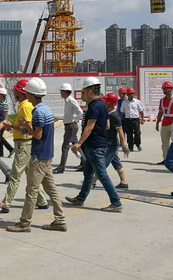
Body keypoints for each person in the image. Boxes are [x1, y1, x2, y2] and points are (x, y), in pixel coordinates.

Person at [6, 78, 66, 233]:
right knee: (51, 189)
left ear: (31, 94)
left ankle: (24, 223)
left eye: (27, 93)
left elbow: (38, 135)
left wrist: (26, 125)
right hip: (47, 156)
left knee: (31, 191)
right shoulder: (46, 109)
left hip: (38, 157)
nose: (25, 95)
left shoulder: (38, 112)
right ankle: (60, 220)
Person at [65, 77, 123, 212]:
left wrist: (79, 143)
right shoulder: (102, 105)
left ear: (90, 92)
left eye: (83, 92)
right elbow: (107, 125)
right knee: (88, 173)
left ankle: (116, 203)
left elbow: (90, 126)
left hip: (95, 147)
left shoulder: (93, 106)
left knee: (102, 175)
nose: (82, 95)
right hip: (97, 144)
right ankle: (80, 198)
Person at [0, 80, 48, 214]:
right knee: (30, 174)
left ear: (21, 92)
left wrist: (10, 126)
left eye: (15, 90)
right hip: (23, 144)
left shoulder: (25, 106)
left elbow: (28, 128)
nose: (13, 92)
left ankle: (6, 204)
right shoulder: (23, 105)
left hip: (24, 144)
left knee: (15, 175)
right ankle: (42, 201)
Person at [94, 93, 130, 189]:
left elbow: (121, 133)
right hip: (107, 143)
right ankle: (123, 182)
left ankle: (92, 182)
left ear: (109, 104)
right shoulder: (108, 114)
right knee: (116, 163)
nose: (103, 104)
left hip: (111, 145)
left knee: (102, 164)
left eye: (105, 102)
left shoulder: (115, 116)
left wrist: (124, 146)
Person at [54, 83, 83, 174]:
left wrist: (74, 121)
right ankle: (85, 163)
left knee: (65, 147)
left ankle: (61, 167)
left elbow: (80, 112)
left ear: (65, 92)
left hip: (71, 127)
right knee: (76, 144)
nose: (60, 93)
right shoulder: (67, 100)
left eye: (61, 91)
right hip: (69, 126)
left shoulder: (71, 100)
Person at [155, 82, 173, 164]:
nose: (164, 90)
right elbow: (160, 112)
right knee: (164, 143)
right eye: (163, 89)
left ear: (170, 89)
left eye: (165, 89)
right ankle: (166, 159)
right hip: (165, 123)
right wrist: (157, 123)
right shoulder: (162, 100)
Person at [120, 88, 144, 152]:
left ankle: (138, 144)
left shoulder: (137, 102)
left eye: (132, 94)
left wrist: (142, 119)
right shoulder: (124, 103)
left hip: (135, 119)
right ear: (127, 94)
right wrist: (119, 120)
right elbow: (122, 112)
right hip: (127, 120)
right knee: (129, 133)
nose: (131, 95)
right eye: (130, 94)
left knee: (137, 133)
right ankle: (130, 146)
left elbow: (141, 111)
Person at [0, 87, 14, 158]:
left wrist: (1, 121)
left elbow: (5, 113)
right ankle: (0, 153)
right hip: (1, 121)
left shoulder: (4, 103)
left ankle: (10, 148)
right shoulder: (0, 102)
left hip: (2, 122)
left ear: (1, 95)